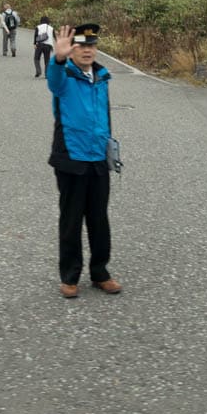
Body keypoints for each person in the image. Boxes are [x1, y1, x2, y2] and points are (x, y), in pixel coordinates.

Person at [46, 22, 121, 298]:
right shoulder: (63, 77)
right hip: (72, 159)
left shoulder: (102, 77)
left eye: (91, 45)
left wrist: (110, 150)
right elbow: (52, 80)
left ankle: (100, 272)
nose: (87, 50)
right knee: (71, 220)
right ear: (73, 49)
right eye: (81, 45)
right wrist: (59, 57)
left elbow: (104, 118)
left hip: (98, 159)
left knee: (99, 219)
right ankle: (70, 276)